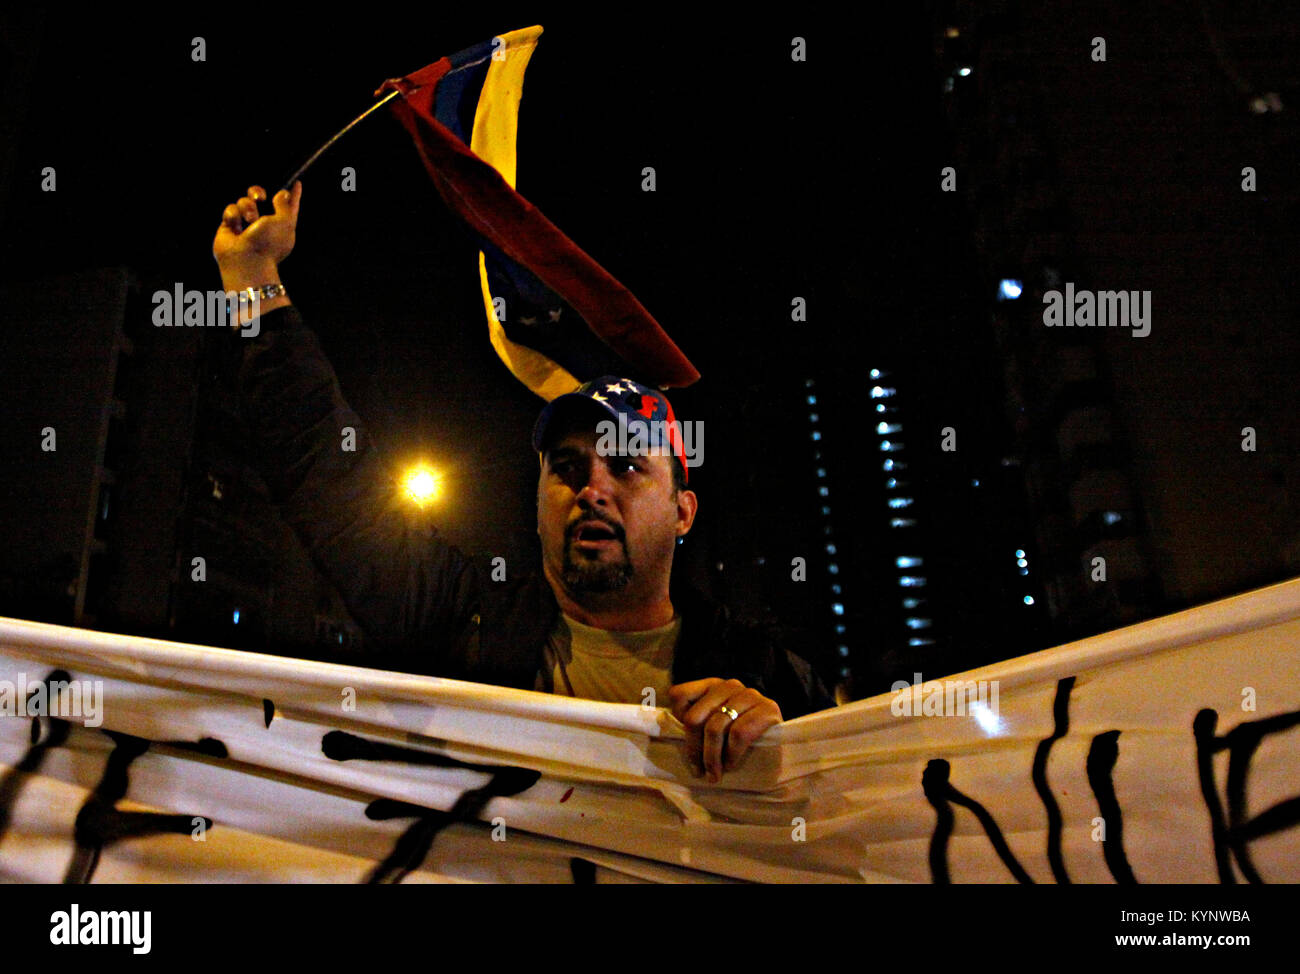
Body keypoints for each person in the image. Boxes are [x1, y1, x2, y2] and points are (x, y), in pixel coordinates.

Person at [213, 181, 832, 783]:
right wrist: (252, 281)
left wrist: (786, 751)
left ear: (683, 511)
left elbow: (860, 817)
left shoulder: (769, 674)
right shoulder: (459, 623)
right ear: (537, 504)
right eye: (565, 469)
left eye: (625, 466)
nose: (591, 488)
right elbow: (328, 479)